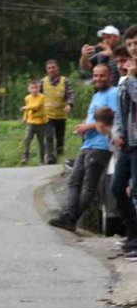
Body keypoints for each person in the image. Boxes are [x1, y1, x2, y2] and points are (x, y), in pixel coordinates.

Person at [49, 64, 118, 232]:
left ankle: (71, 218)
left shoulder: (113, 93)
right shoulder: (96, 95)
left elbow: (111, 117)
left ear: (109, 76)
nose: (97, 79)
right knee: (74, 180)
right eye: (95, 75)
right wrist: (83, 125)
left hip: (101, 146)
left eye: (102, 75)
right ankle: (68, 215)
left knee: (88, 185)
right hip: (87, 144)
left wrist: (87, 127)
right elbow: (92, 117)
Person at [113, 25, 137, 258]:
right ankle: (132, 234)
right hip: (128, 142)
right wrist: (117, 131)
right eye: (129, 44)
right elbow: (121, 109)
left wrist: (131, 79)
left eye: (136, 44)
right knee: (117, 188)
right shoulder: (126, 76)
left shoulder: (131, 76)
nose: (133, 49)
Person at [40, 60, 75, 160]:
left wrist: (69, 104)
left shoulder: (65, 81)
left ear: (57, 68)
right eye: (49, 68)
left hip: (61, 115)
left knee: (60, 137)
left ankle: (60, 155)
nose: (51, 70)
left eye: (53, 67)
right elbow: (37, 96)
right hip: (47, 115)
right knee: (49, 136)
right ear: (46, 70)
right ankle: (50, 157)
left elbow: (70, 94)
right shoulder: (43, 82)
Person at [21, 79, 49, 165]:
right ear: (29, 89)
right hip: (31, 122)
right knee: (27, 139)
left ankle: (42, 160)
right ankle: (25, 157)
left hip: (41, 123)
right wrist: (25, 117)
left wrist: (25, 108)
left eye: (36, 87)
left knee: (41, 142)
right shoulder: (27, 98)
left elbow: (36, 106)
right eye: (32, 88)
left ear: (39, 88)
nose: (34, 90)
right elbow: (27, 110)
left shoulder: (42, 97)